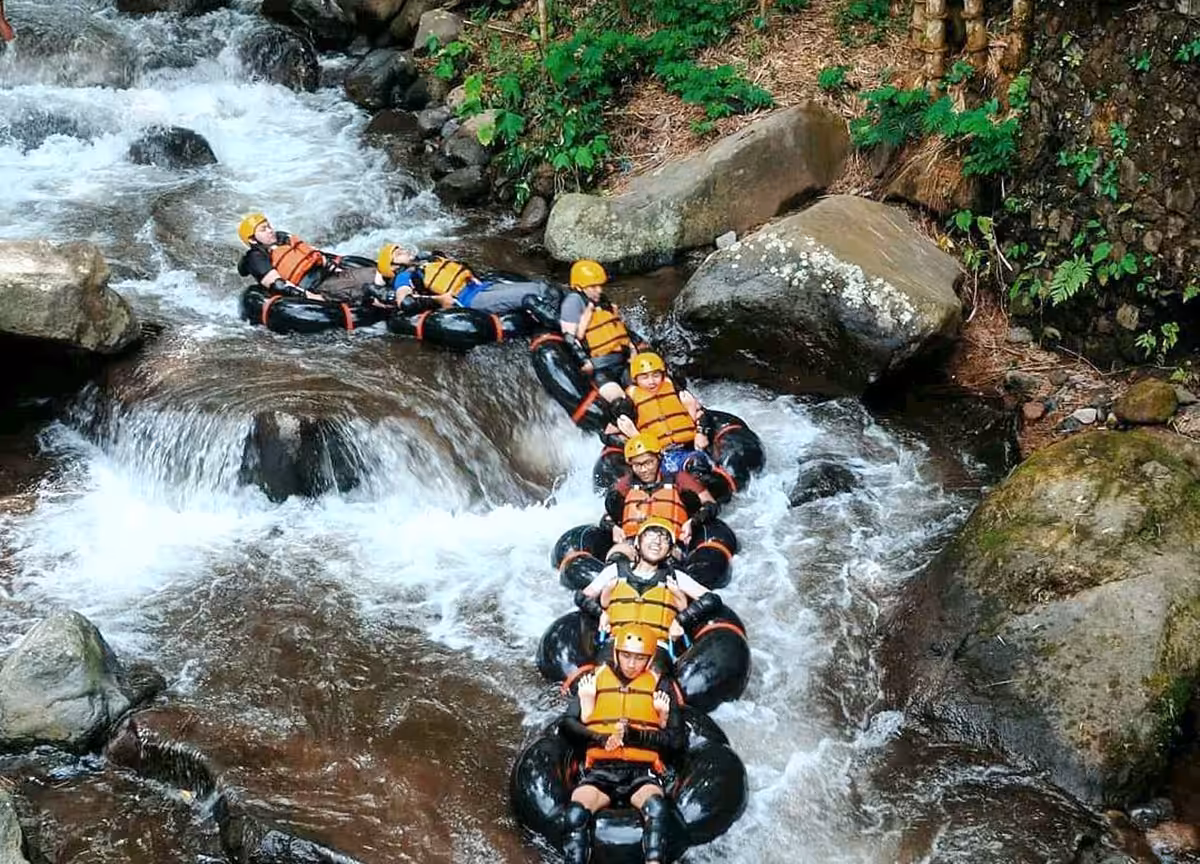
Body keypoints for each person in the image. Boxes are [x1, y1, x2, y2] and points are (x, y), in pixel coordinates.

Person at [558, 623, 683, 864]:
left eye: (639, 658)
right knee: (575, 813)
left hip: (642, 772)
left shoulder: (661, 687)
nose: (631, 663)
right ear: (616, 653)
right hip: (600, 771)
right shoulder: (593, 681)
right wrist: (601, 738)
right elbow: (566, 726)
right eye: (626, 655)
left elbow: (676, 742)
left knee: (656, 808)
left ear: (649, 660)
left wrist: (636, 735)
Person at [576, 517, 722, 650]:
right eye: (651, 535)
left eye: (664, 539)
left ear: (669, 551)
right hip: (617, 644)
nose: (657, 542)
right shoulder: (614, 571)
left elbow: (711, 599)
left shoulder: (674, 576)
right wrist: (600, 614)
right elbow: (581, 597)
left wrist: (680, 620)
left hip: (657, 648)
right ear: (637, 543)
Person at [605, 432, 718, 553]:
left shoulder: (679, 479)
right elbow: (607, 516)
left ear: (658, 458)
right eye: (637, 465)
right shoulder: (626, 484)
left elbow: (710, 504)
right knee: (620, 551)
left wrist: (693, 521)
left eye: (648, 463)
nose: (643, 470)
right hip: (634, 543)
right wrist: (614, 527)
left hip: (670, 542)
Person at [559, 260, 648, 408]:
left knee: (642, 395)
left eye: (600, 285)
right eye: (593, 287)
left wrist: (634, 347)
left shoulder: (602, 300)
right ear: (579, 287)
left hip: (622, 360)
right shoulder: (573, 302)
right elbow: (569, 337)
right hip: (599, 367)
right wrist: (583, 360)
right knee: (621, 404)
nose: (599, 290)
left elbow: (617, 326)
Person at [372, 243, 546, 314]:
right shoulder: (403, 276)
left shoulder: (427, 261)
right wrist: (439, 300)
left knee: (541, 288)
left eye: (401, 248)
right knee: (536, 293)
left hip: (481, 287)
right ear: (393, 266)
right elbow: (406, 302)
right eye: (398, 252)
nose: (404, 250)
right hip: (470, 299)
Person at [236, 213, 374, 303]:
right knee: (370, 290)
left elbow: (313, 254)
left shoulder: (283, 239)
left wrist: (336, 268)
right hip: (318, 288)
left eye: (269, 226)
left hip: (329, 276)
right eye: (263, 229)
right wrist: (312, 297)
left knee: (374, 275)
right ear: (253, 240)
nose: (270, 230)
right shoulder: (256, 258)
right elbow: (279, 285)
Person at [616, 352, 710, 476]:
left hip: (692, 443)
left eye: (656, 375)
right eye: (644, 377)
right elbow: (611, 434)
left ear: (662, 374)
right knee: (696, 465)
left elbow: (702, 413)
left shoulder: (674, 390)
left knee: (702, 462)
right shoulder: (629, 402)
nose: (651, 382)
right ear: (636, 379)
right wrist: (635, 436)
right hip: (663, 455)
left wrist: (701, 432)